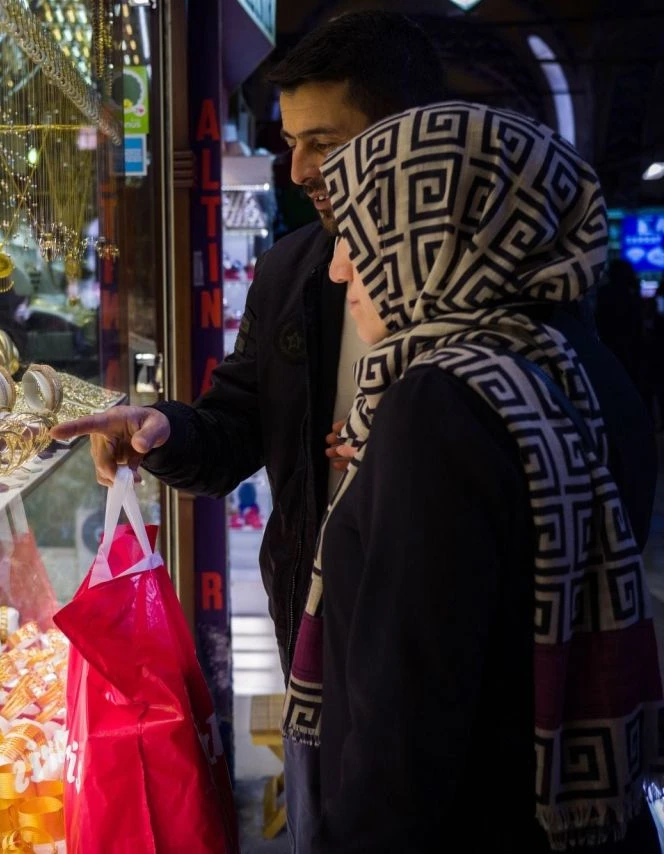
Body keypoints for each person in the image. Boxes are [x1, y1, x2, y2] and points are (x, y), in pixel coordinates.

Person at [281, 101, 661, 853]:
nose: (337, 267)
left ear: (434, 233)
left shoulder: (441, 402)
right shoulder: (579, 366)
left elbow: (403, 745)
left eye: (358, 236)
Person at [51, 10, 448, 677]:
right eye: (290, 141)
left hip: (440, 645)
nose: (296, 169)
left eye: (321, 141)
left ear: (402, 135)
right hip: (312, 633)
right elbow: (236, 426)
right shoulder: (290, 274)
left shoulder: (486, 277)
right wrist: (163, 430)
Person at [595, 259, 653, 422]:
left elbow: (601, 321)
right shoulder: (632, 294)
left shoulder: (605, 293)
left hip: (610, 348)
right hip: (634, 350)